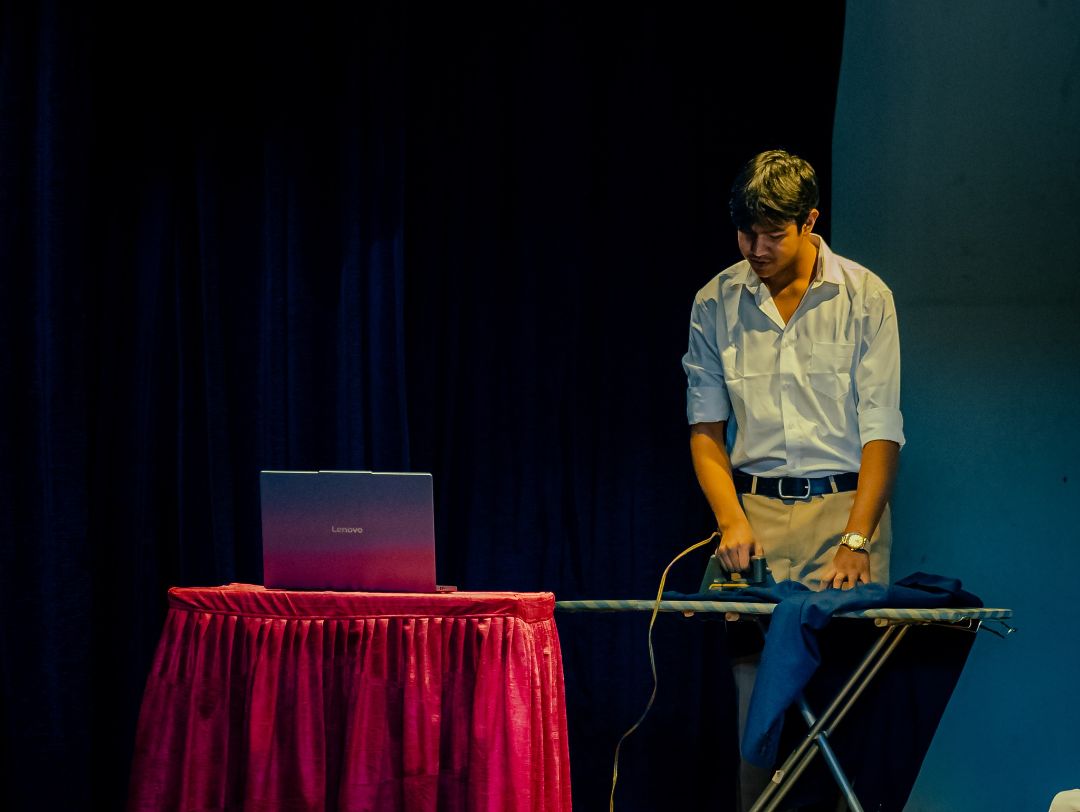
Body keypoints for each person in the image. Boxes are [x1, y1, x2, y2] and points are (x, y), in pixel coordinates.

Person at [682, 149, 904, 810]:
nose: (756, 249)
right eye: (746, 233)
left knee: (846, 703)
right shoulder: (715, 301)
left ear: (810, 221)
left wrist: (857, 540)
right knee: (758, 709)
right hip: (757, 517)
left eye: (773, 234)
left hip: (846, 514)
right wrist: (730, 520)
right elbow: (705, 428)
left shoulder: (865, 296)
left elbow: (882, 430)